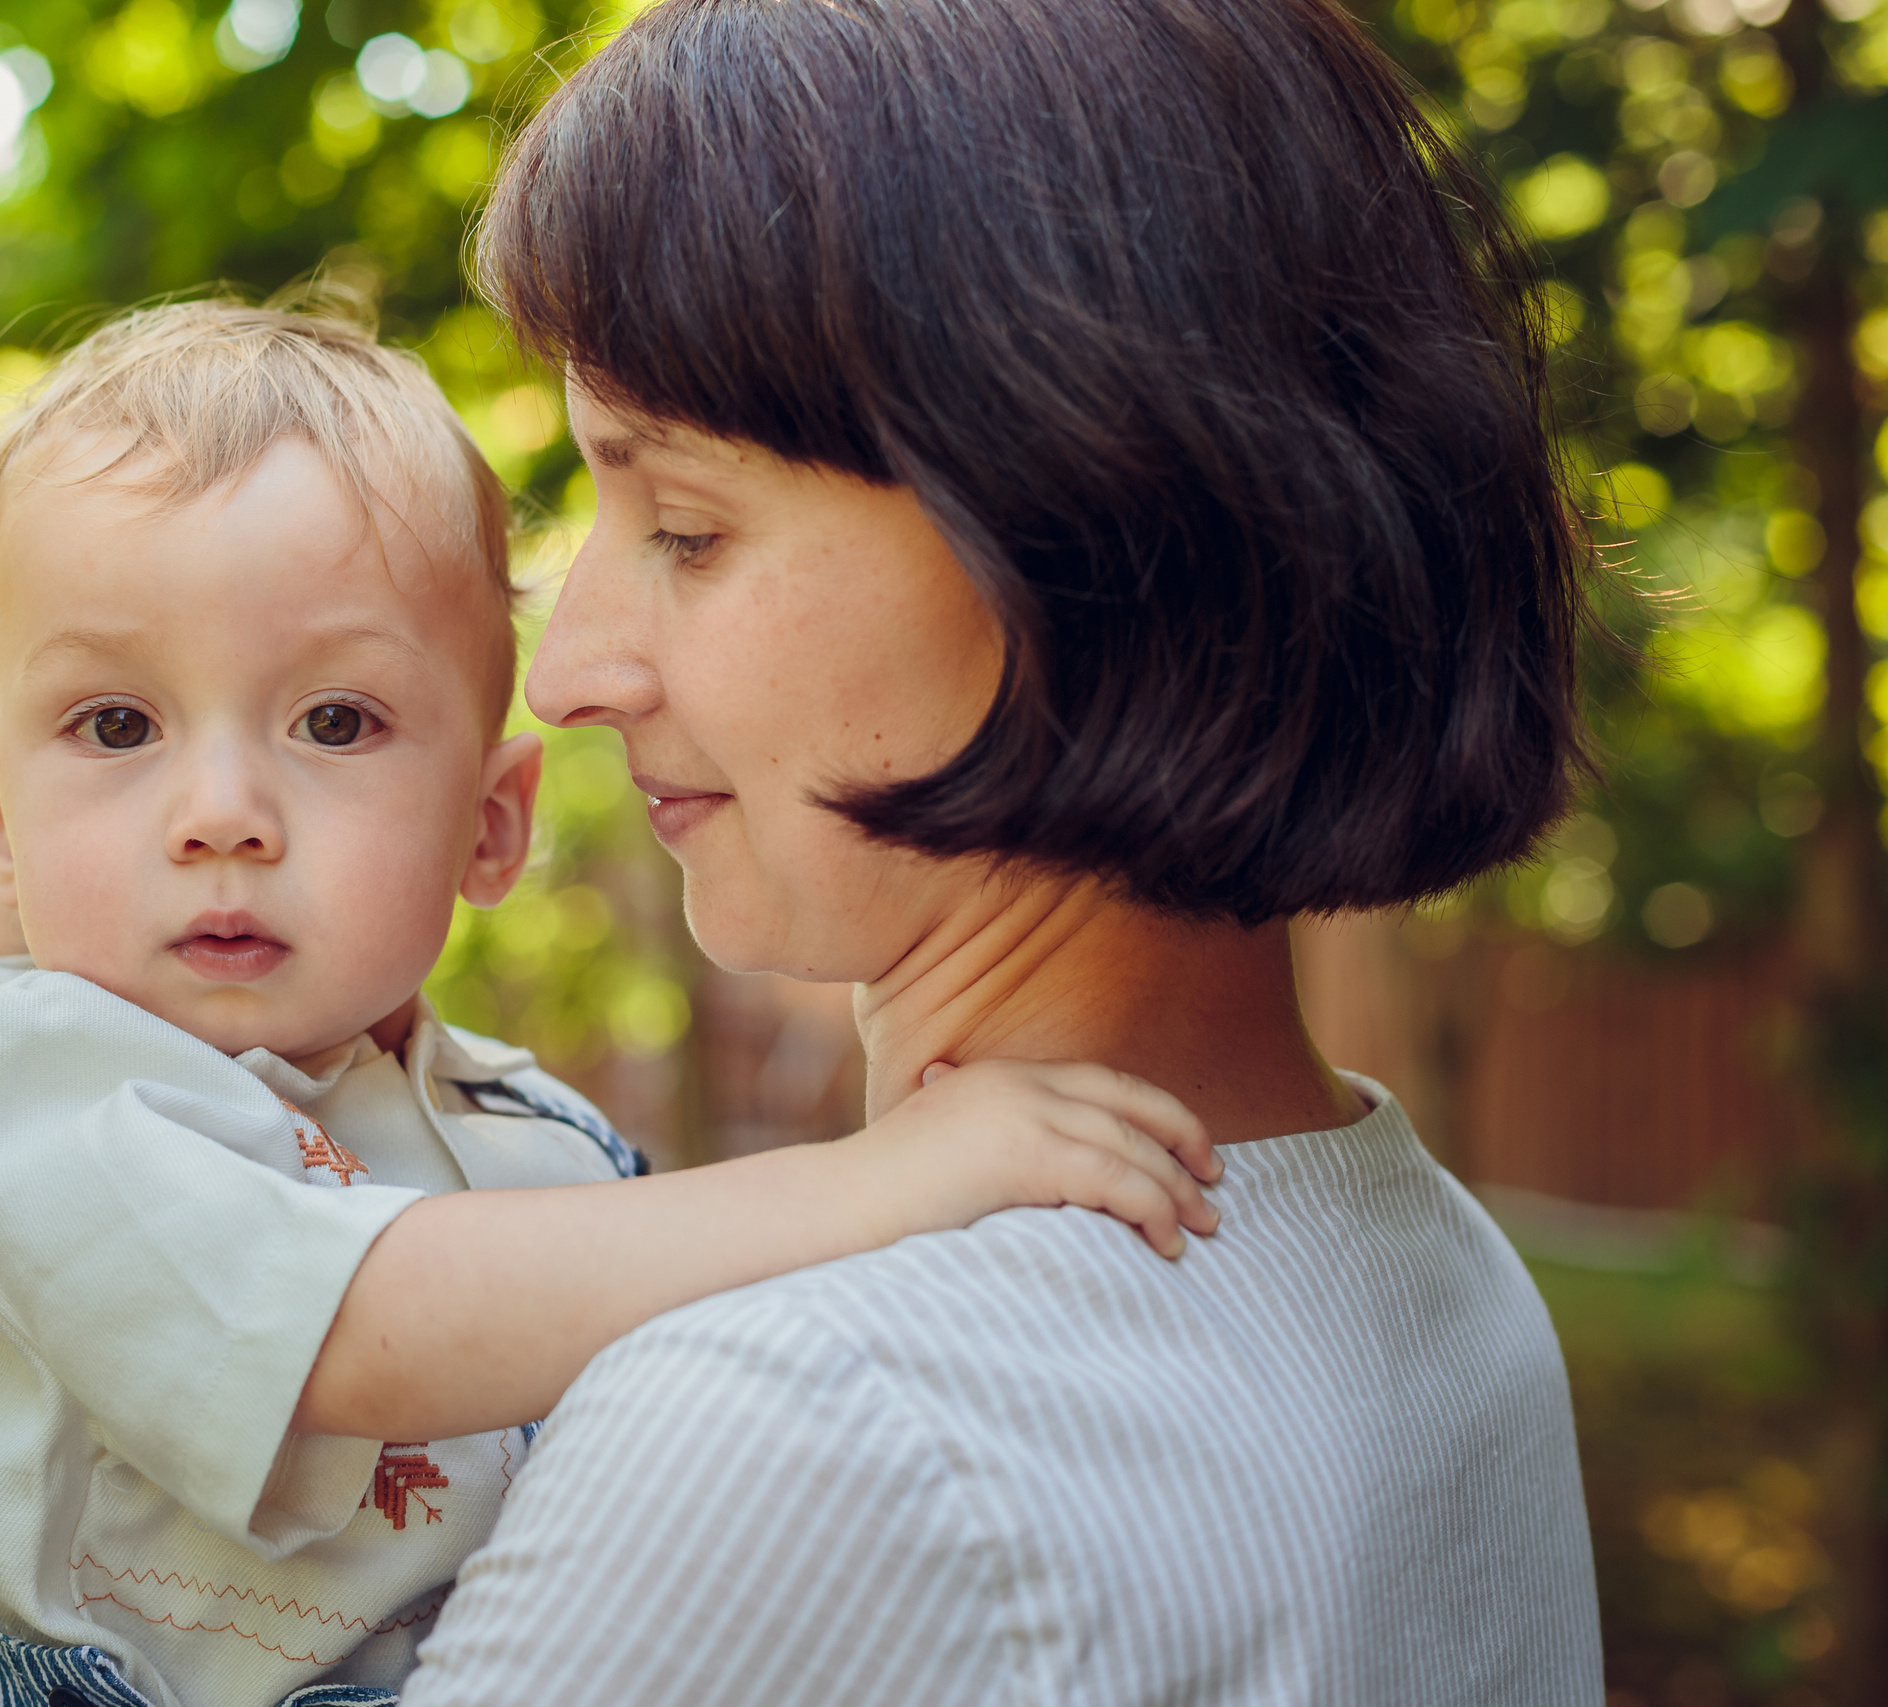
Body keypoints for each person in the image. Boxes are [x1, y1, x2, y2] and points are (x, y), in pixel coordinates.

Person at [397, 0, 1606, 1701]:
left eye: (685, 526)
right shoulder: (1431, 1272)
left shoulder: (808, 1422)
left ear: (1077, 519)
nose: (573, 667)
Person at [0, 300, 1226, 1707]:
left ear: (491, 825)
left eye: (335, 722)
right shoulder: (15, 1105)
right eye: (116, 726)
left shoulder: (541, 1145)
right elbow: (364, 1333)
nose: (222, 815)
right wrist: (888, 1181)